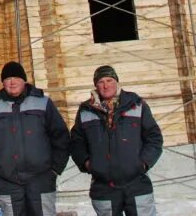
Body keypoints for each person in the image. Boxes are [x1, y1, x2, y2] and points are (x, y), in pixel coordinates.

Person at [0, 62, 69, 216]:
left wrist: (55, 169)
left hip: (41, 179)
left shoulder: (43, 103)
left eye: (16, 78)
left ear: (24, 80)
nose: (12, 82)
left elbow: (60, 136)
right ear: (2, 82)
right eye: (8, 78)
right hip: (6, 182)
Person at [70, 65, 163, 216]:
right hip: (103, 186)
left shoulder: (136, 104)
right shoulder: (86, 110)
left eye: (110, 80)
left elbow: (154, 138)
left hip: (136, 182)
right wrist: (88, 164)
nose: (106, 85)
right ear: (96, 85)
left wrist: (144, 163)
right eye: (101, 81)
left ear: (117, 82)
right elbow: (76, 143)